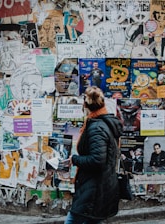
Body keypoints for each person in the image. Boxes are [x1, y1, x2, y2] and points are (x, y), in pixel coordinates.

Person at [65, 86, 123, 224]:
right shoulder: (102, 123)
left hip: (94, 188)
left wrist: (75, 159)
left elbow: (97, 160)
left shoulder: (96, 127)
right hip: (99, 185)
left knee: (73, 220)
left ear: (85, 105)